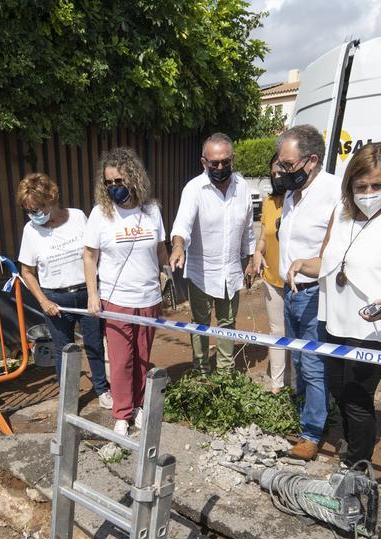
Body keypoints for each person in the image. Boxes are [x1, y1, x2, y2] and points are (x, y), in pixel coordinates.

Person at [285, 142, 381, 468]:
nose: (368, 192)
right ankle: (351, 449)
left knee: (359, 399)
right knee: (338, 390)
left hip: (373, 327)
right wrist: (301, 264)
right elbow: (328, 263)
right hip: (333, 320)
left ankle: (357, 467)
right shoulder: (342, 214)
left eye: (377, 185)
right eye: (360, 186)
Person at [85, 147, 168, 437]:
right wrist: (92, 294)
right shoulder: (100, 214)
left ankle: (139, 406)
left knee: (143, 357)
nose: (113, 189)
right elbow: (89, 256)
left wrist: (166, 270)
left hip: (148, 298)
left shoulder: (152, 210)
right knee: (121, 361)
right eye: (108, 183)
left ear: (133, 178)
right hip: (116, 299)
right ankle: (121, 413)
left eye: (118, 182)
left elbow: (160, 248)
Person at [15, 172, 111, 409]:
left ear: (52, 198)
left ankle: (102, 389)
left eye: (38, 208)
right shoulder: (31, 231)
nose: (34, 215)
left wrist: (95, 292)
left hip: (86, 291)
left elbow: (94, 253)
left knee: (94, 343)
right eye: (29, 210)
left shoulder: (78, 217)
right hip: (56, 298)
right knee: (64, 349)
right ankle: (68, 397)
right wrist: (43, 301)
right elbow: (26, 271)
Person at [275, 124, 342, 461]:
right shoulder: (292, 192)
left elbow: (333, 252)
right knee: (299, 360)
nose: (281, 171)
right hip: (291, 292)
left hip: (315, 292)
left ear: (312, 160)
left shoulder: (333, 192)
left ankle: (313, 434)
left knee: (314, 364)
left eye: (288, 165)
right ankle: (307, 421)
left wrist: (304, 265)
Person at [167, 132, 257, 373]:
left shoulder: (243, 187)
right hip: (201, 272)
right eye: (214, 163)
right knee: (200, 324)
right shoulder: (194, 189)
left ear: (232, 159)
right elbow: (182, 224)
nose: (220, 167)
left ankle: (225, 372)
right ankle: (202, 371)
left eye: (225, 162)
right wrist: (177, 246)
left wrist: (249, 260)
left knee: (227, 323)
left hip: (230, 270)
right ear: (203, 162)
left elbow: (248, 229)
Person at [247, 157, 289, 392]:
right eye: (274, 172)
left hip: (299, 282)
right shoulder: (269, 203)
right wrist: (257, 254)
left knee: (298, 335)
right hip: (273, 277)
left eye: (283, 170)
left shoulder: (300, 201)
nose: (279, 176)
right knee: (277, 331)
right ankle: (277, 385)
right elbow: (263, 237)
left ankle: (297, 384)